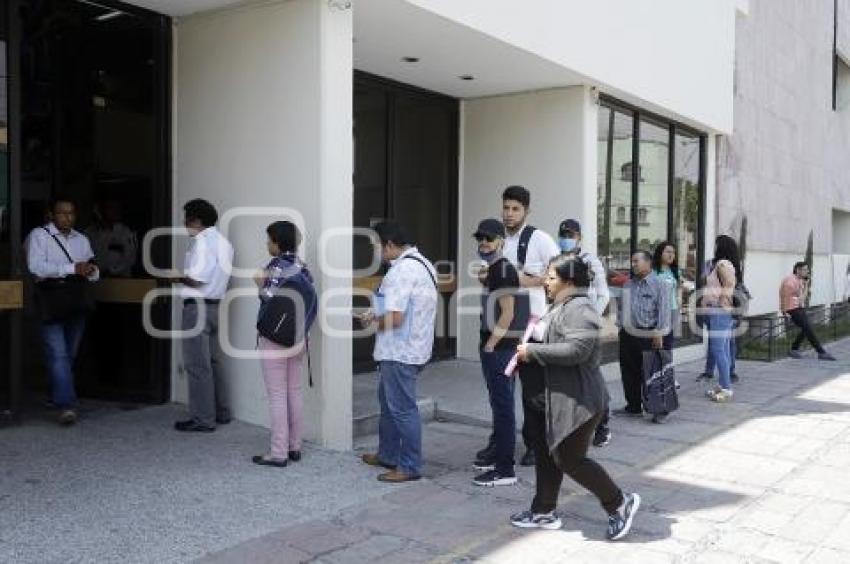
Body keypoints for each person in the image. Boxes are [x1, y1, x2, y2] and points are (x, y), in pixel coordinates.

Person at [511, 255, 640, 541]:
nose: (546, 281)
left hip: (579, 401)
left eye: (552, 277)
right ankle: (543, 510)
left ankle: (619, 503)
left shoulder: (581, 308)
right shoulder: (560, 306)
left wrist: (533, 352)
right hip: (554, 398)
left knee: (571, 459)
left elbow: (577, 351)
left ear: (569, 282)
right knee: (547, 454)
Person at [360, 221, 438, 483]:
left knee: (402, 409)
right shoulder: (424, 264)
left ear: (390, 245)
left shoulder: (401, 272)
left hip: (399, 351)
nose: (377, 252)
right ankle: (388, 454)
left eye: (378, 247)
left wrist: (371, 321)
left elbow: (395, 318)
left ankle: (409, 466)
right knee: (388, 403)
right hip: (414, 347)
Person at [497, 185, 559, 467]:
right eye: (506, 208)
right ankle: (500, 440)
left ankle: (537, 444)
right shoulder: (499, 240)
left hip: (533, 326)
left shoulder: (539, 239)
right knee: (501, 385)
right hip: (504, 322)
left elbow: (562, 272)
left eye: (515, 209)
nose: (509, 214)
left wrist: (524, 280)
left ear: (526, 211)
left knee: (533, 390)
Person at [26, 196, 100, 425]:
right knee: (58, 354)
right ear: (51, 214)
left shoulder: (82, 239)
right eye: (62, 212)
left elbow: (92, 268)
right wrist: (71, 268)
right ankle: (66, 405)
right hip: (51, 300)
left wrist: (91, 271)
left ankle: (54, 394)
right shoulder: (39, 236)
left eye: (71, 213)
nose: (67, 217)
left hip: (76, 301)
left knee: (69, 354)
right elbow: (35, 267)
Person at [251, 221, 315, 468]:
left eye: (269, 240)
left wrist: (258, 282)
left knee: (277, 395)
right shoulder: (301, 265)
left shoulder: (276, 266)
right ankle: (294, 446)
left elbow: (268, 299)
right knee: (294, 391)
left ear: (278, 242)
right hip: (299, 337)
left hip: (275, 339)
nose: (267, 245)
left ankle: (278, 453)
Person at [472, 218, 529, 486]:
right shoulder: (496, 269)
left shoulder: (502, 270)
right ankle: (498, 456)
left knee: (503, 407)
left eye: (489, 238)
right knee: (499, 403)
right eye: (480, 238)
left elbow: (507, 313)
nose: (484, 243)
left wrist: (491, 344)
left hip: (501, 348)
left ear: (501, 242)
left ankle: (505, 469)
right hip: (497, 346)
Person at [172, 199, 234, 432]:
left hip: (196, 307)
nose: (184, 223)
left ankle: (203, 419)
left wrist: (176, 276)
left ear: (196, 220)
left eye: (186, 218)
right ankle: (221, 412)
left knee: (197, 365)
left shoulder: (202, 242)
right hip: (215, 307)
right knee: (213, 362)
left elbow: (197, 279)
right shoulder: (224, 243)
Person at [557, 218, 612, 447]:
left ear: (579, 237)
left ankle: (602, 425)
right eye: (563, 234)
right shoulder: (557, 260)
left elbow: (603, 295)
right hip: (562, 326)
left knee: (590, 377)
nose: (566, 238)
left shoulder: (591, 262)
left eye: (570, 234)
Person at [616, 251, 670, 422]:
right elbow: (621, 308)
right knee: (629, 372)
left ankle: (659, 409)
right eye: (632, 261)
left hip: (649, 334)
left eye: (636, 261)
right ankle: (633, 406)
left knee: (652, 372)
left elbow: (664, 310)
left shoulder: (660, 284)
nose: (633, 264)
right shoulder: (628, 285)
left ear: (648, 263)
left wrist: (659, 332)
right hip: (628, 334)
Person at [701, 235, 740, 403]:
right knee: (722, 349)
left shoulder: (722, 264)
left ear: (721, 247)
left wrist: (723, 301)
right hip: (720, 311)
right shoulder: (726, 264)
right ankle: (723, 384)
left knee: (718, 350)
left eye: (716, 245)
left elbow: (730, 283)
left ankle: (726, 389)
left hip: (719, 311)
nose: (714, 247)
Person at [781, 262, 836, 361]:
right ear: (798, 270)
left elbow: (802, 299)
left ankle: (794, 349)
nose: (807, 271)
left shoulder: (799, 280)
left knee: (807, 328)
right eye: (805, 269)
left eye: (807, 270)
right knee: (808, 328)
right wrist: (784, 311)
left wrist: (806, 285)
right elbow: (785, 297)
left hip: (798, 307)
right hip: (791, 309)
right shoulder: (789, 281)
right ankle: (821, 352)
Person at [85, 199, 138, 277]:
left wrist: (111, 271)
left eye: (117, 208)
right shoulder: (89, 233)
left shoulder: (126, 232)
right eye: (110, 208)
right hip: (93, 279)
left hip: (119, 279)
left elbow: (130, 259)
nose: (114, 211)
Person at [652, 241, 680, 351]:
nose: (671, 255)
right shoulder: (652, 272)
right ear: (660, 253)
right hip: (658, 311)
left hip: (672, 311)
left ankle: (667, 367)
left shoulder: (674, 271)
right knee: (657, 343)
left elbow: (677, 291)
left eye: (673, 252)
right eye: (668, 251)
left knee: (668, 343)